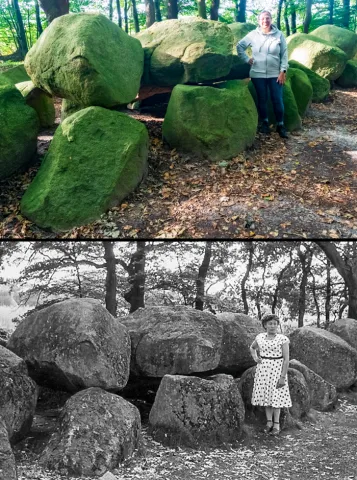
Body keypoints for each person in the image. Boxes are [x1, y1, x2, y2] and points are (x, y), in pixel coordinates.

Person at [237, 11, 289, 139]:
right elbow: (239, 46)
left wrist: (283, 71)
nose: (265, 21)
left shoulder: (279, 35)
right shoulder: (253, 35)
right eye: (262, 19)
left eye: (267, 18)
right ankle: (264, 123)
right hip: (257, 73)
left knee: (277, 99)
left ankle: (280, 125)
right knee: (262, 99)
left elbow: (284, 54)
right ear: (259, 21)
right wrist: (246, 59)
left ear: (271, 20)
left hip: (275, 74)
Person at [249, 313, 292, 436]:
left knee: (276, 397)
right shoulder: (260, 337)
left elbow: (286, 359)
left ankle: (276, 424)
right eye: (270, 324)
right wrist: (255, 358)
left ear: (277, 325)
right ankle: (269, 423)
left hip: (277, 370)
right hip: (263, 370)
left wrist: (283, 377)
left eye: (275, 323)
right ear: (265, 325)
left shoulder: (282, 339)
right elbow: (252, 348)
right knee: (266, 397)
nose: (272, 326)